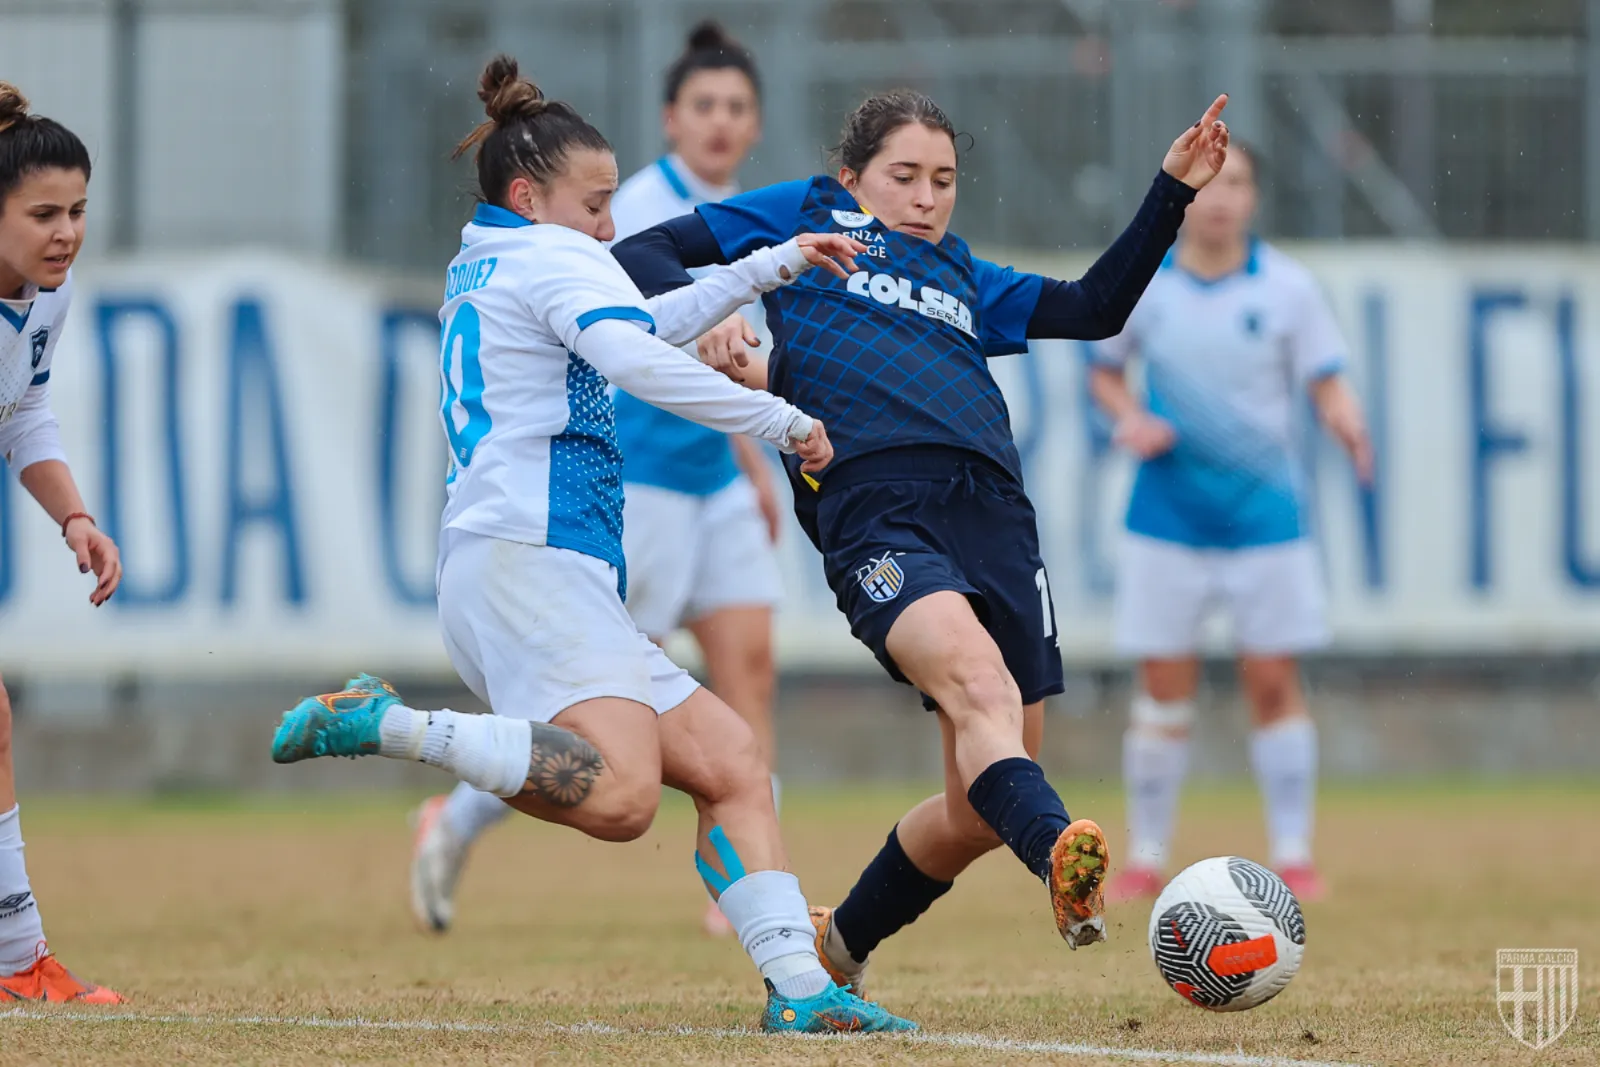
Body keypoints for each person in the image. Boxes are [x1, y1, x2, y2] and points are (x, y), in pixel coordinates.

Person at [270, 56, 914, 1034]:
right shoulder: (549, 256)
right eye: (597, 204)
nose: (611, 228)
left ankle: (799, 991)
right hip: (530, 558)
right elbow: (636, 357)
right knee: (621, 799)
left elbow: (640, 323)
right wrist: (780, 419)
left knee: (731, 760)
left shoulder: (494, 256)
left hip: (518, 562)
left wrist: (768, 265)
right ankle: (390, 723)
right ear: (533, 196)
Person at [612, 88, 1231, 993]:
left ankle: (840, 948)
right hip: (876, 508)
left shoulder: (966, 275)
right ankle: (1062, 851)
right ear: (852, 177)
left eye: (943, 180)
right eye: (903, 176)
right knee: (981, 690)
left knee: (978, 805)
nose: (926, 197)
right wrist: (715, 306)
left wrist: (1171, 190)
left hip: (994, 517)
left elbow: (1096, 307)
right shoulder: (808, 215)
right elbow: (643, 253)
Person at [411, 21, 783, 942]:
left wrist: (757, 282)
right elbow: (634, 348)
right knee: (617, 766)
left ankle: (783, 956)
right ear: (671, 118)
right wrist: (779, 424)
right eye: (705, 105)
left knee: (739, 721)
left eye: (739, 106)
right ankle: (450, 798)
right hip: (611, 499)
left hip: (685, 488)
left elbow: (658, 327)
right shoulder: (602, 224)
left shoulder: (535, 241)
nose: (723, 122)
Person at [1088, 144, 1371, 905]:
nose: (1220, 197)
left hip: (1265, 518)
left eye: (1237, 182)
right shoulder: (1146, 283)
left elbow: (1327, 381)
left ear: (1253, 197)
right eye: (1210, 182)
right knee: (1162, 687)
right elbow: (1105, 373)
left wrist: (1348, 424)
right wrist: (1132, 419)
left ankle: (1293, 851)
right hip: (1166, 518)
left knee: (1274, 680)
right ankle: (1146, 856)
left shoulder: (1288, 289)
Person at [0, 83, 124, 1004]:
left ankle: (17, 962)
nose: (66, 232)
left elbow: (26, 410)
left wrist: (75, 516)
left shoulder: (48, 295)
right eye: (43, 213)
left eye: (77, 210)